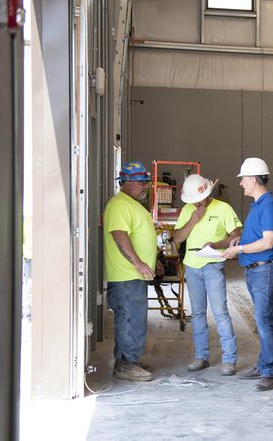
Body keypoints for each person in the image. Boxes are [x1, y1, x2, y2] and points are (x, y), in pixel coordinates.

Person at [222, 157, 273, 391]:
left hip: (264, 270)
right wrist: (242, 240)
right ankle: (264, 364)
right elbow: (259, 236)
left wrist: (237, 249)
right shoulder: (258, 205)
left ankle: (268, 372)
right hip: (257, 269)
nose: (240, 183)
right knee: (268, 319)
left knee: (265, 320)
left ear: (255, 179)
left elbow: (268, 241)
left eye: (244, 179)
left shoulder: (268, 205)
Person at [173, 174, 243, 376]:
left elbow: (237, 236)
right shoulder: (188, 210)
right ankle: (201, 356)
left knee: (220, 312)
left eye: (198, 200)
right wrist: (193, 221)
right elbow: (177, 238)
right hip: (192, 267)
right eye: (192, 201)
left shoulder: (223, 209)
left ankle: (229, 359)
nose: (196, 204)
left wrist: (217, 245)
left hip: (213, 265)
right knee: (197, 314)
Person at [103, 161, 158, 382]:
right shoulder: (119, 205)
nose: (144, 186)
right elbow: (120, 235)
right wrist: (138, 263)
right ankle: (127, 364)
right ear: (125, 182)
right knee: (129, 320)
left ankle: (129, 359)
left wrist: (153, 261)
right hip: (126, 276)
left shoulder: (130, 203)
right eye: (140, 182)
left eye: (145, 182)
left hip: (133, 276)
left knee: (134, 319)